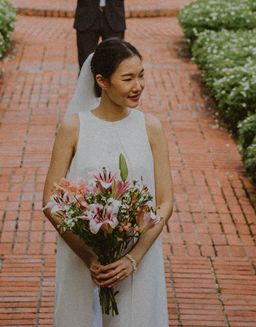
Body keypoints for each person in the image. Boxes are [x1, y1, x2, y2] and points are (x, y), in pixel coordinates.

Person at [43, 39, 173, 327]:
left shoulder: (150, 128)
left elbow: (165, 202)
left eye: (141, 75)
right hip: (83, 258)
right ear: (101, 81)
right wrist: (89, 257)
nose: (138, 86)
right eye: (127, 78)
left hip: (139, 255)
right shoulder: (73, 128)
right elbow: (50, 202)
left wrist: (133, 259)